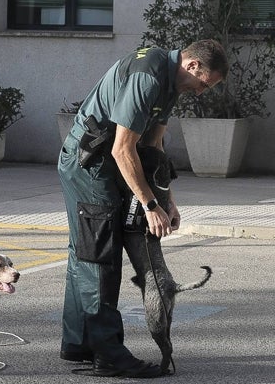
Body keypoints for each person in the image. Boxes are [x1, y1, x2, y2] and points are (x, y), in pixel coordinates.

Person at [57, 39, 228, 378]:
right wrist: (149, 205)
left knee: (86, 253)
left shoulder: (170, 83)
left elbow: (153, 147)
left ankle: (78, 343)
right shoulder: (148, 76)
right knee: (99, 257)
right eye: (204, 83)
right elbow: (123, 149)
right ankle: (108, 354)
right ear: (192, 65)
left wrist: (168, 200)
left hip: (106, 163)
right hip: (89, 164)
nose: (201, 91)